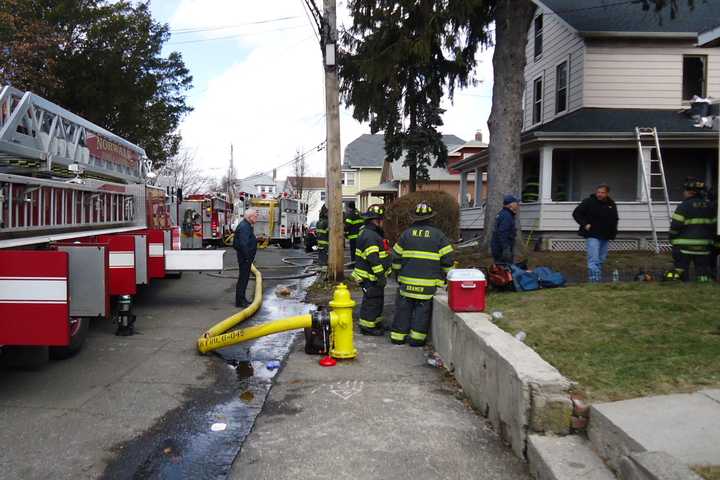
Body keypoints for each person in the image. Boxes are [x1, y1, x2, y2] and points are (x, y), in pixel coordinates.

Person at [390, 202, 454, 347]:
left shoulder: (406, 234)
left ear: (414, 218)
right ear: (431, 218)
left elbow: (395, 257)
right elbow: (448, 260)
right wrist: (447, 278)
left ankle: (397, 337)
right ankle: (416, 340)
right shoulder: (439, 235)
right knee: (422, 312)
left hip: (406, 283)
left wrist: (397, 274)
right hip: (427, 285)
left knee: (403, 310)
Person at [351, 205, 391, 336]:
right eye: (382, 220)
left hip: (371, 276)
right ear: (376, 220)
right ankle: (367, 327)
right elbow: (373, 259)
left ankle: (376, 322)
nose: (383, 223)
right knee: (371, 302)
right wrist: (380, 275)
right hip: (370, 276)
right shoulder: (371, 236)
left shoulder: (370, 233)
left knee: (377, 300)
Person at [667, 178, 716, 282]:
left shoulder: (683, 206)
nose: (683, 193)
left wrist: (671, 238)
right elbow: (714, 226)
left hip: (683, 246)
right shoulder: (711, 207)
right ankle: (704, 286)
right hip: (704, 246)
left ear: (690, 192)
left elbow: (675, 226)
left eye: (685, 190)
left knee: (681, 269)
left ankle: (682, 284)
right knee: (703, 271)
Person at [572, 184, 619, 282]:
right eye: (598, 192)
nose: (599, 194)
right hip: (592, 234)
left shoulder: (611, 204)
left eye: (602, 192)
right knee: (593, 259)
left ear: (607, 193)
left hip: (605, 235)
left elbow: (615, 219)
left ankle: (598, 279)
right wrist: (585, 224)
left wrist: (613, 233)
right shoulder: (588, 202)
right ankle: (594, 281)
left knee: (601, 259)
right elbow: (576, 213)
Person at [233, 208, 258, 308]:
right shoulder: (244, 227)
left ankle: (242, 298)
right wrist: (247, 258)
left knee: (245, 278)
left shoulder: (246, 225)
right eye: (255, 216)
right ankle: (240, 301)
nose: (257, 218)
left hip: (245, 257)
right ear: (250, 217)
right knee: (243, 279)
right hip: (244, 258)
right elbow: (243, 244)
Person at [491, 195, 519, 264]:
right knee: (505, 269)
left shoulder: (503, 213)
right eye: (516, 203)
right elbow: (502, 232)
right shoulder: (507, 216)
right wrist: (506, 249)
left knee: (500, 268)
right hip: (501, 248)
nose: (518, 205)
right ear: (511, 205)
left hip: (497, 246)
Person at [316, 204, 329, 270]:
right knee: (324, 255)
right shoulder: (326, 222)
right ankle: (324, 269)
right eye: (327, 213)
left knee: (320, 255)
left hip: (319, 242)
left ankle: (320, 267)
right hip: (325, 242)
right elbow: (328, 232)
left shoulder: (318, 222)